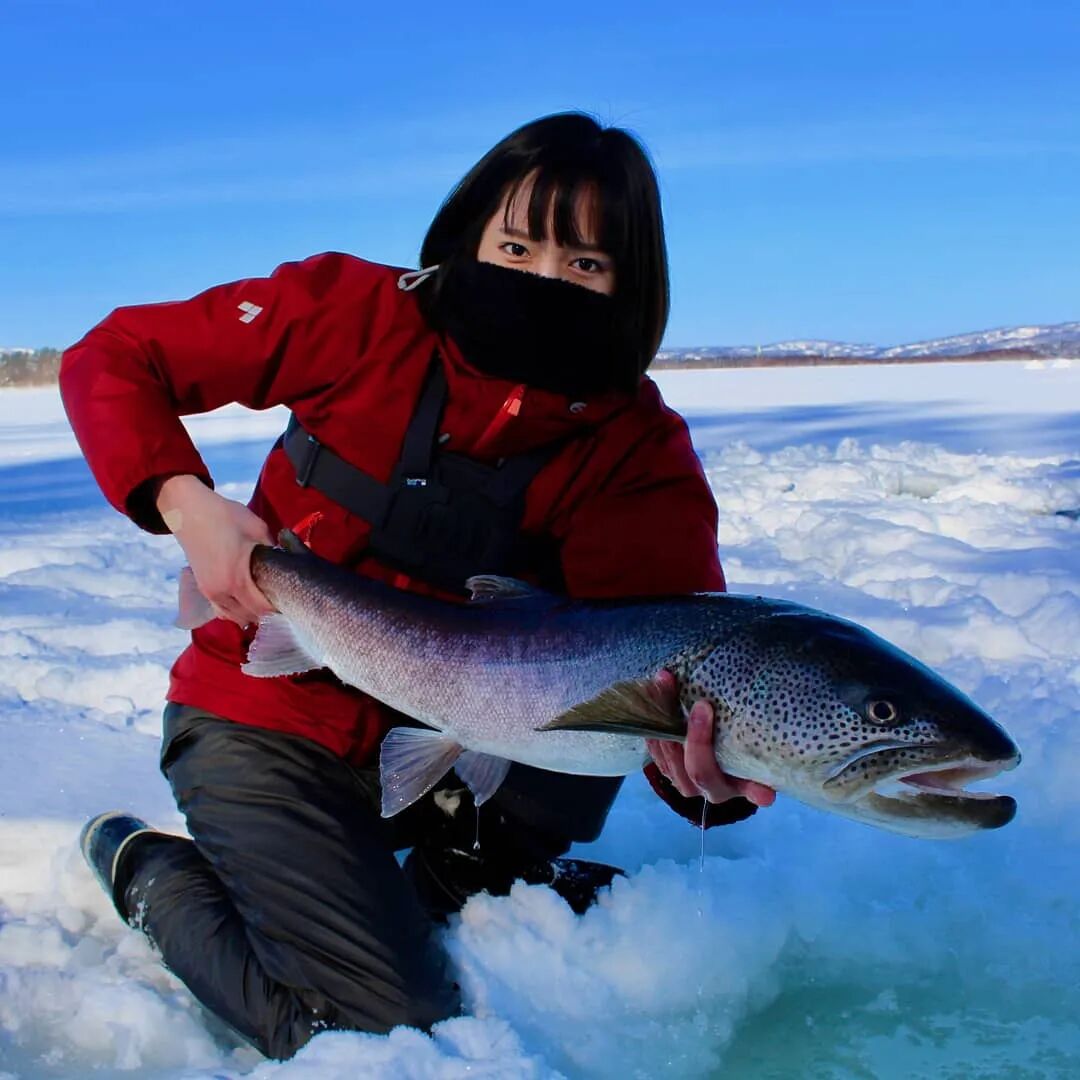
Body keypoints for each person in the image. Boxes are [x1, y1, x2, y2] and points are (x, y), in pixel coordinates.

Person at [60, 111, 775, 1060]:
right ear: (467, 233)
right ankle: (147, 866)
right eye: (516, 246)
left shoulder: (636, 452)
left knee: (578, 741)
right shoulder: (352, 315)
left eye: (586, 266)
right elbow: (114, 357)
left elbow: (666, 660)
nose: (542, 284)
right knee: (369, 1034)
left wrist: (703, 779)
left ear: (630, 286)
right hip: (272, 715)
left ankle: (433, 892)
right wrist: (187, 505)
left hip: (480, 741)